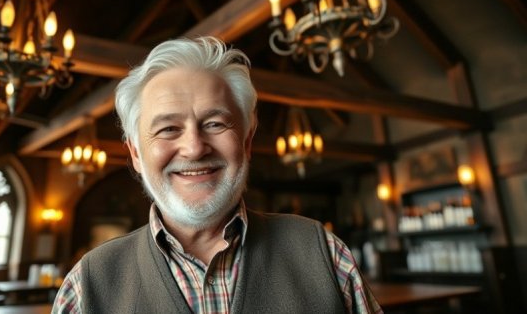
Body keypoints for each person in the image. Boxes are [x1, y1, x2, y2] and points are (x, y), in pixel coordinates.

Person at [52, 36, 382, 313]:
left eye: (215, 123)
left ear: (247, 141)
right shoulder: (85, 287)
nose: (194, 148)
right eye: (168, 129)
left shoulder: (325, 253)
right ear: (136, 154)